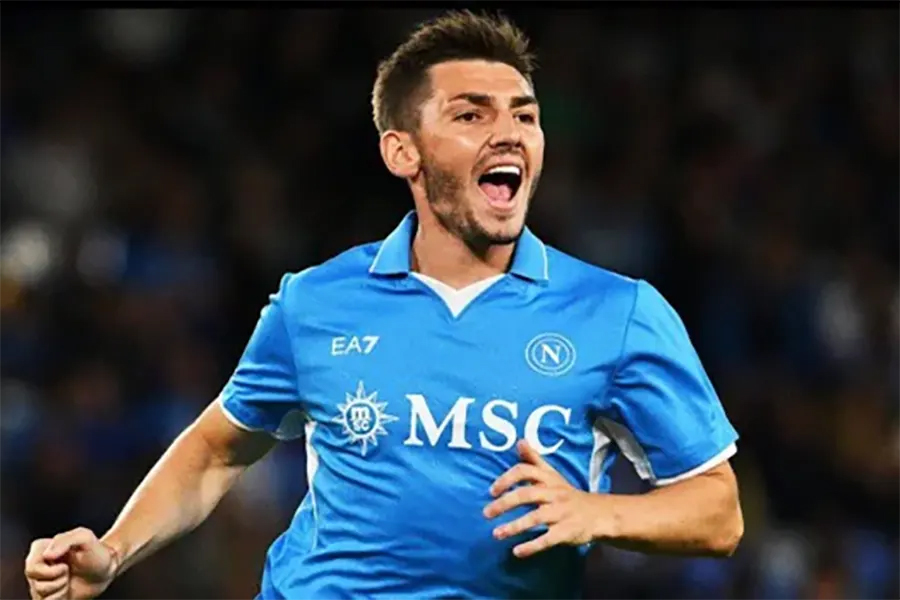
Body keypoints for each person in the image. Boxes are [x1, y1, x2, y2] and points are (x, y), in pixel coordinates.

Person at [24, 10, 743, 600]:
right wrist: (114, 551)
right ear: (403, 152)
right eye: (471, 114)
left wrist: (596, 513)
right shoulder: (315, 302)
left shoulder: (618, 313)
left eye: (525, 116)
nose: (509, 133)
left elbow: (719, 512)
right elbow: (216, 450)